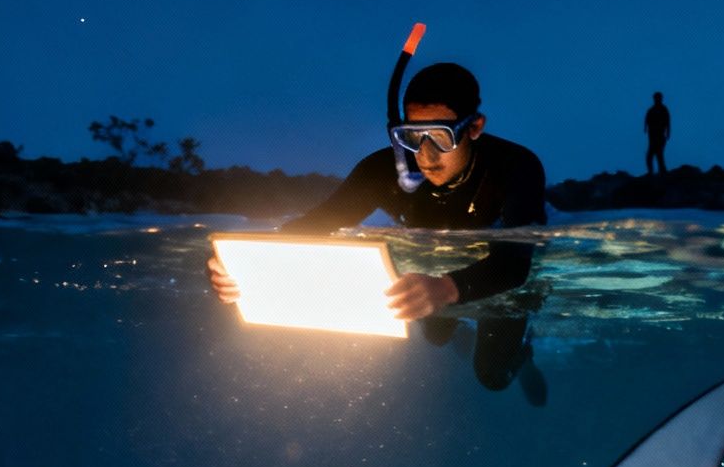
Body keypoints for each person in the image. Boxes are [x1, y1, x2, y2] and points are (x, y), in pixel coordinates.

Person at [207, 62, 546, 322]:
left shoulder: (516, 167)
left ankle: (521, 352)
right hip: (432, 275)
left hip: (495, 276)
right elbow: (320, 220)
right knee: (436, 333)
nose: (425, 156)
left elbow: (514, 264)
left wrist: (444, 288)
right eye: (412, 136)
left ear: (474, 127)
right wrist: (245, 262)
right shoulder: (380, 170)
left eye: (441, 136)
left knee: (492, 374)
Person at [644, 92, 671, 175]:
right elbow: (646, 121)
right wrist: (645, 128)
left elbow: (668, 122)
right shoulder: (651, 110)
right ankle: (652, 172)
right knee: (651, 155)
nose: (657, 99)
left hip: (659, 135)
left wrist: (668, 133)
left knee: (658, 153)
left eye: (658, 98)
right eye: (656, 98)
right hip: (652, 135)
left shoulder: (664, 109)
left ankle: (661, 172)